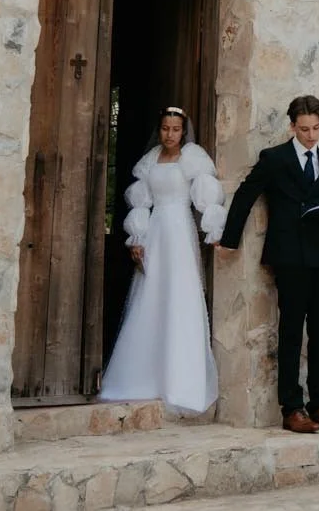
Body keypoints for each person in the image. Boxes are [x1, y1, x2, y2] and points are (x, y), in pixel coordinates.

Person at [216, 94, 319, 433]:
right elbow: (247, 193)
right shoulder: (274, 158)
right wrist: (229, 240)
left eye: (316, 128)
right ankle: (292, 408)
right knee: (291, 331)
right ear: (292, 126)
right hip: (290, 256)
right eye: (304, 129)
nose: (311, 135)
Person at [97, 106, 227, 413]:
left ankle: (180, 380)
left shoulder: (192, 157)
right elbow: (142, 202)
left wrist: (213, 228)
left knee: (179, 296)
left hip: (180, 233)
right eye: (166, 129)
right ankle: (142, 377)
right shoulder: (149, 160)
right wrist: (137, 238)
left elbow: (205, 194)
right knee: (150, 296)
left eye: (176, 129)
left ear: (184, 132)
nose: (170, 134)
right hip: (156, 233)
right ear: (160, 130)